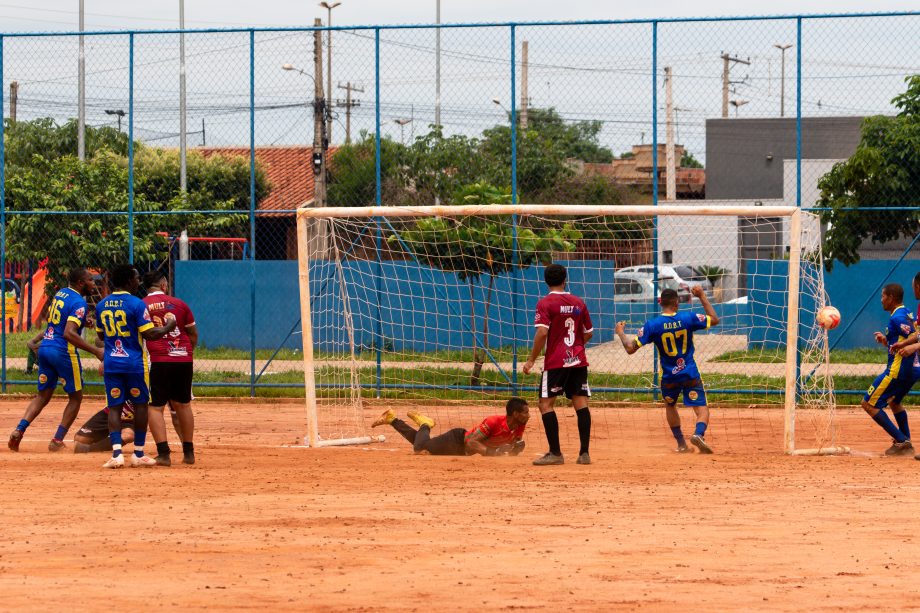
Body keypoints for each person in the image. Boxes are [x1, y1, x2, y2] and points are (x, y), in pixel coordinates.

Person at [615, 285, 720, 454]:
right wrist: (701, 296)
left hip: (669, 377)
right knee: (701, 407)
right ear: (677, 303)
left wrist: (620, 332)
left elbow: (630, 348)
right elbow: (714, 319)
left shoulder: (653, 325)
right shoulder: (688, 318)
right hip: (689, 373)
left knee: (670, 406)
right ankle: (698, 434)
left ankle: (681, 444)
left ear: (660, 303)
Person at [8, 268, 104, 452]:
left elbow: (58, 321)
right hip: (63, 352)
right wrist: (95, 351)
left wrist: (83, 321)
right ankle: (57, 440)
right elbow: (68, 333)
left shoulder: (62, 293)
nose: (94, 283)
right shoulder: (79, 302)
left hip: (46, 347)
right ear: (81, 283)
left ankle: (19, 429)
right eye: (91, 280)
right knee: (76, 397)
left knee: (42, 395)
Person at [96, 264, 176, 469]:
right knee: (141, 404)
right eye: (136, 278)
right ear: (128, 281)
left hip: (112, 362)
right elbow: (150, 334)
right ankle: (138, 453)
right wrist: (169, 325)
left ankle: (116, 455)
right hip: (134, 364)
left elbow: (101, 336)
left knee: (115, 406)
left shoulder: (102, 304)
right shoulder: (137, 304)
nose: (138, 281)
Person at [522, 263, 594, 466]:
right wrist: (577, 346)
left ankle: (555, 453)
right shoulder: (578, 302)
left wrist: (531, 360)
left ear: (546, 281)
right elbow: (588, 332)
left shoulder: (545, 303)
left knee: (545, 404)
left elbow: (542, 332)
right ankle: (584, 453)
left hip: (555, 362)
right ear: (565, 280)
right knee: (580, 403)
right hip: (578, 360)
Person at [142, 270, 198, 466]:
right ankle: (189, 452)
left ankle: (164, 453)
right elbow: (193, 335)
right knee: (183, 405)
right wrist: (183, 351)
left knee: (155, 408)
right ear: (164, 285)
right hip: (183, 359)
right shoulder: (180, 304)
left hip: (157, 360)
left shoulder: (142, 305)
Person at [861, 283, 917, 456]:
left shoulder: (897, 317)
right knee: (894, 402)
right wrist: (887, 341)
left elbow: (914, 336)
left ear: (891, 298)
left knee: (868, 404)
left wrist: (912, 346)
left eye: (883, 296)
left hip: (897, 371)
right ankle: (905, 442)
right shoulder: (904, 312)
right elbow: (905, 337)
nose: (881, 300)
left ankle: (901, 441)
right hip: (912, 370)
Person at [371, 397, 529, 456]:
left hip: (462, 452)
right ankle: (425, 424)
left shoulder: (519, 425)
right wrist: (491, 452)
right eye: (525, 412)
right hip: (457, 440)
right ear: (515, 414)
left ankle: (392, 419)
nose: (528, 416)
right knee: (420, 449)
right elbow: (471, 442)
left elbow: (509, 447)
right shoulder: (493, 421)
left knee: (422, 444)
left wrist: (514, 449)